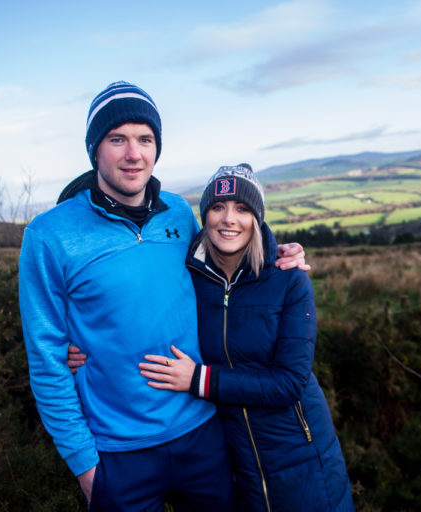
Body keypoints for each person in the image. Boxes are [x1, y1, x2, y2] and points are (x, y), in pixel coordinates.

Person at [19, 81, 306, 511]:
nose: (133, 153)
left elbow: (224, 259)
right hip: (116, 453)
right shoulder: (48, 236)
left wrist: (281, 254)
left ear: (157, 148)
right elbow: (45, 359)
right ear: (95, 148)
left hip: (203, 433)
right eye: (118, 139)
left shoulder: (177, 211)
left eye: (145, 139)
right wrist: (85, 467)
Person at [70, 164, 355, 511]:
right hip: (235, 457)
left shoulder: (289, 282)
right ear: (204, 217)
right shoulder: (192, 279)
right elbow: (134, 303)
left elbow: (289, 384)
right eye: (218, 207)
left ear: (257, 219)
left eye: (243, 209)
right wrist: (80, 344)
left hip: (298, 452)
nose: (229, 219)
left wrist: (198, 379)